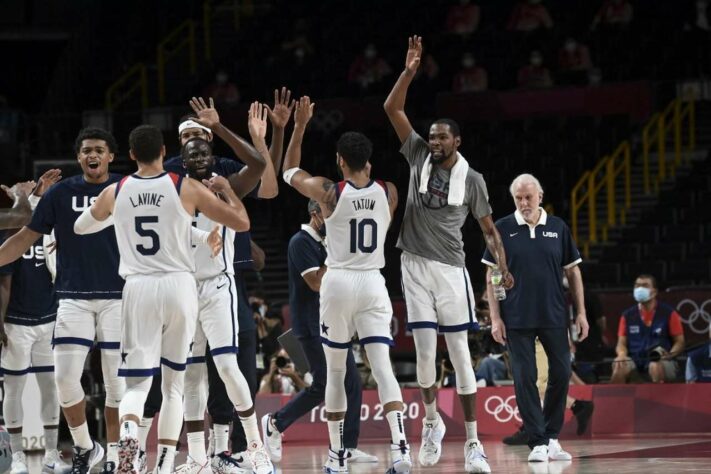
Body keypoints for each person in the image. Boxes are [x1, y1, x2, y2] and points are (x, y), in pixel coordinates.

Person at [73, 123, 258, 473]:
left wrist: (117, 220)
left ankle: (129, 435)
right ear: (163, 153)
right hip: (179, 286)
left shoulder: (118, 190)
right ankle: (166, 463)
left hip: (138, 288)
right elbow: (238, 221)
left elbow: (81, 227)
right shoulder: (183, 186)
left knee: (138, 383)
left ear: (129, 155)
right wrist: (207, 230)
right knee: (175, 384)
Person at [384, 35, 512, 473]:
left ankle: (474, 442)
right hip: (413, 265)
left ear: (457, 140)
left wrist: (501, 270)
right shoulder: (417, 152)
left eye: (442, 137)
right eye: (433, 135)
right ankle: (432, 423)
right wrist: (409, 73)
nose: (434, 141)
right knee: (423, 353)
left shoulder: (472, 179)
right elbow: (392, 110)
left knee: (459, 353)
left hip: (450, 268)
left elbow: (490, 231)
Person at [282, 96, 410, 473]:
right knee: (383, 368)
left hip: (338, 282)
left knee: (336, 371)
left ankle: (337, 458)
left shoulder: (329, 193)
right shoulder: (389, 192)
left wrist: (301, 126)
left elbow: (290, 170)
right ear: (369, 161)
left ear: (340, 161)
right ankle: (401, 450)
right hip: (373, 280)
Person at [0, 128, 128, 473]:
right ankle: (87, 448)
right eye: (86, 150)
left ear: (110, 156)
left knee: (117, 383)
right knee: (64, 380)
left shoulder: (127, 187)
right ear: (78, 157)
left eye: (99, 150)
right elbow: (26, 235)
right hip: (72, 297)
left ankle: (116, 453)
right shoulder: (61, 193)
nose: (93, 155)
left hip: (119, 296)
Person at [171, 100, 274, 473]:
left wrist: (225, 128)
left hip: (218, 286)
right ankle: (198, 458)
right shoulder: (174, 188)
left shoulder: (227, 183)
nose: (198, 156)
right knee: (193, 376)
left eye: (203, 149)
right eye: (190, 151)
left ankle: (256, 447)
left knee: (228, 367)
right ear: (182, 159)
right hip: (184, 287)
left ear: (211, 153)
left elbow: (261, 166)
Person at [260, 200, 377, 465]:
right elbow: (315, 283)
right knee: (324, 385)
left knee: (352, 382)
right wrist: (337, 254)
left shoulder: (326, 244)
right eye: (330, 216)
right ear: (315, 214)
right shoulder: (300, 242)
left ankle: (348, 446)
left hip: (335, 322)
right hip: (311, 325)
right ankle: (276, 422)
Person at [483, 173, 589, 463]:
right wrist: (495, 318)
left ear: (540, 196)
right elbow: (491, 275)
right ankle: (537, 440)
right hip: (516, 319)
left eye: (528, 197)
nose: (524, 203)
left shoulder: (558, 227)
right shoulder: (502, 228)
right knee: (525, 377)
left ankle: (552, 436)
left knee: (561, 373)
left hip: (555, 315)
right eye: (518, 198)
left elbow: (573, 272)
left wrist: (581, 313)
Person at [0, 169, 70, 474]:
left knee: (51, 388)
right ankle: (17, 457)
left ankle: (52, 453)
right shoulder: (9, 230)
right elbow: (4, 283)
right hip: (16, 320)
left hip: (49, 317)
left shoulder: (53, 226)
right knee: (13, 388)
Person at [610, 274, 685, 384]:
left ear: (654, 292)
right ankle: (615, 400)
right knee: (619, 365)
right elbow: (621, 343)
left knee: (655, 366)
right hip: (636, 359)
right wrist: (621, 354)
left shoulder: (669, 313)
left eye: (645, 285)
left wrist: (670, 355)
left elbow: (680, 342)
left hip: (661, 359)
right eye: (637, 285)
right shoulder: (627, 316)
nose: (640, 288)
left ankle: (656, 400)